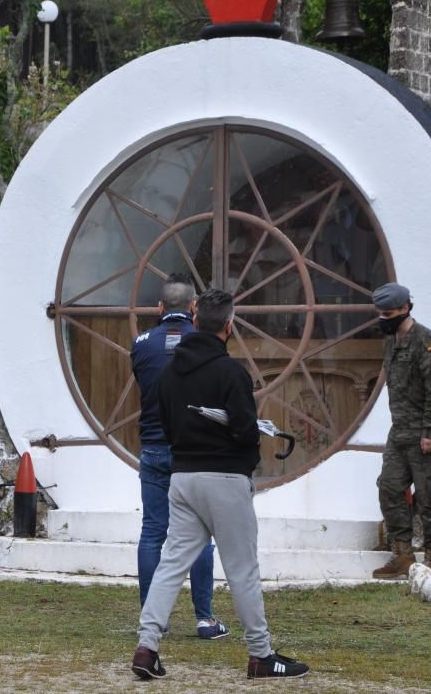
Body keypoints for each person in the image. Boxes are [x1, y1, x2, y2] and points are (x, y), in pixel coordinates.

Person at [132, 289, 309, 680]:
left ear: (195, 321)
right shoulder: (231, 373)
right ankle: (261, 655)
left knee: (171, 564)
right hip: (225, 479)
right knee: (242, 569)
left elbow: (166, 423)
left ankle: (147, 647)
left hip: (182, 478)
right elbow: (246, 432)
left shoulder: (168, 373)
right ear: (228, 327)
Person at [131, 274, 227, 640]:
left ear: (159, 308)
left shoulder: (141, 344)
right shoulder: (206, 344)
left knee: (153, 531)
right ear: (193, 307)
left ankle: (153, 619)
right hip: (194, 450)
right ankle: (205, 619)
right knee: (200, 534)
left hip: (154, 447)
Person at [370, 282, 431, 578]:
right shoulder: (391, 340)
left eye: (389, 313)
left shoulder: (425, 340)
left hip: (428, 432)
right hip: (401, 431)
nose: (384, 318)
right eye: (380, 313)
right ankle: (403, 556)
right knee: (389, 487)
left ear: (405, 308)